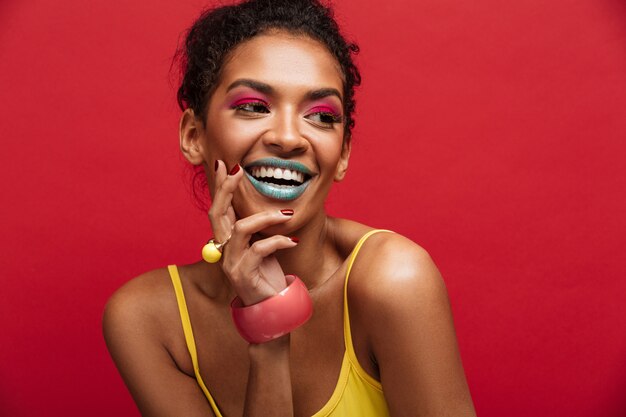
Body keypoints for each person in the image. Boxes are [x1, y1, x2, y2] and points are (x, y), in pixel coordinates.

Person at [103, 0, 476, 416]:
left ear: (344, 153)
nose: (289, 137)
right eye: (253, 107)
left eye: (320, 116)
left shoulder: (394, 281)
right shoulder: (147, 321)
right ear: (194, 135)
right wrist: (268, 334)